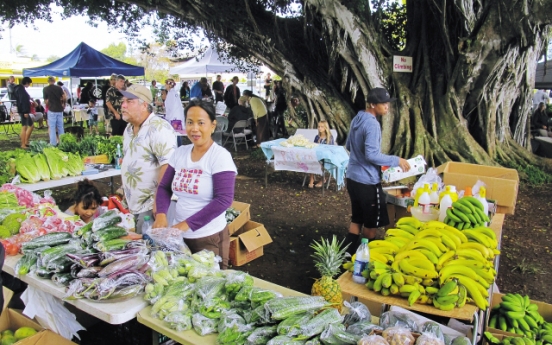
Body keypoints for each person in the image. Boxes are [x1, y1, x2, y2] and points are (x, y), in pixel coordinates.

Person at [154, 99, 237, 269]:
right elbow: (164, 187)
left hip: (208, 237)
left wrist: (185, 225)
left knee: (212, 287)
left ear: (213, 125)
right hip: (179, 237)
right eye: (190, 122)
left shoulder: (220, 156)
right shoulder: (180, 153)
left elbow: (224, 200)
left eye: (201, 123)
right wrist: (161, 214)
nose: (194, 128)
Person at [344, 87, 411, 254]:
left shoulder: (357, 118)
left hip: (352, 178)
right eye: (384, 104)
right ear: (373, 104)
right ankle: (363, 260)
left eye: (388, 103)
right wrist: (397, 160)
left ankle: (345, 256)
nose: (387, 107)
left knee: (357, 220)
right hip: (367, 182)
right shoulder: (372, 124)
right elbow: (372, 155)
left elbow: (348, 146)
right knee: (371, 225)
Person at [119, 84, 177, 232]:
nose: (123, 105)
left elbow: (169, 166)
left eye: (129, 101)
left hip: (153, 206)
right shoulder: (128, 129)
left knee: (156, 250)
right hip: (135, 206)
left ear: (144, 105)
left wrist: (160, 203)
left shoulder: (159, 128)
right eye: (122, 101)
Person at [308, 120, 335, 188]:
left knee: (319, 161)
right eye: (319, 126)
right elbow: (314, 146)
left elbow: (330, 149)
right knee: (311, 159)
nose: (320, 128)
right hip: (317, 155)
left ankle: (323, 179)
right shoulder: (317, 137)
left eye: (322, 127)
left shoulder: (330, 138)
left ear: (326, 128)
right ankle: (311, 178)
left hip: (326, 156)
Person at [43, 76, 66, 146]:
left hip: (51, 109)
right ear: (54, 81)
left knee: (52, 127)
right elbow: (64, 97)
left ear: (48, 81)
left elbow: (46, 101)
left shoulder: (45, 89)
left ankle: (53, 143)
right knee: (60, 127)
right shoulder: (59, 88)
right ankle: (62, 142)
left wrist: (48, 104)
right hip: (59, 109)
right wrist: (63, 103)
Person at [14, 77, 33, 148]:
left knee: (28, 126)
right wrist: (25, 111)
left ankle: (25, 141)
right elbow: (23, 100)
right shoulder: (21, 90)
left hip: (22, 109)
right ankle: (23, 143)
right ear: (27, 83)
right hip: (24, 110)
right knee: (24, 126)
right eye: (29, 83)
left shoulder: (17, 89)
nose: (29, 85)